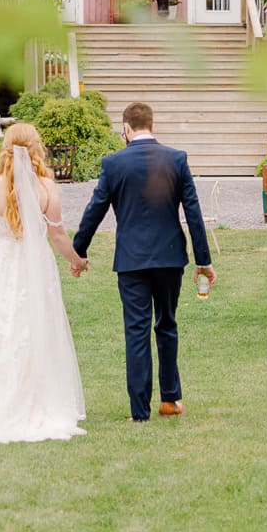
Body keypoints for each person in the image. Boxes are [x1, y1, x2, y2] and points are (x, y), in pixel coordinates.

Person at [0, 121, 88, 444]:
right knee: (36, 328)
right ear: (36, 149)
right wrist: (76, 260)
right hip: (35, 265)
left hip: (0, 264)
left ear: (5, 149)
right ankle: (37, 399)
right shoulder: (47, 189)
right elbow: (57, 234)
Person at [71, 101, 214, 423]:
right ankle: (170, 399)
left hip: (131, 260)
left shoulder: (113, 163)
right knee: (166, 325)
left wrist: (78, 251)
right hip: (169, 257)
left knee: (136, 330)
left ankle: (139, 411)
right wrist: (203, 261)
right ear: (152, 125)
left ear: (126, 128)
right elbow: (193, 212)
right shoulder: (176, 159)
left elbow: (95, 210)